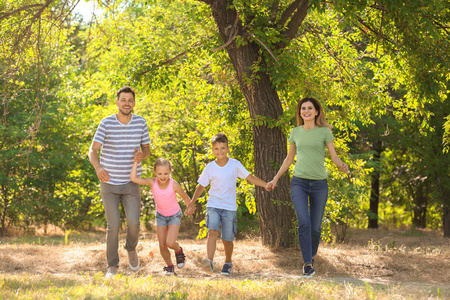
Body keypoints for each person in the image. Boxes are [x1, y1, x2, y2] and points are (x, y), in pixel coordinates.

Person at [266, 97, 348, 277]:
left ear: (316, 112)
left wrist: (341, 165)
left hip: (320, 184)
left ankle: (311, 254)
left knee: (316, 227)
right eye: (303, 108)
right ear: (300, 112)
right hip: (299, 183)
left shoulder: (324, 132)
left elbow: (334, 156)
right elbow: (289, 159)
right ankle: (308, 264)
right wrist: (275, 178)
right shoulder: (295, 132)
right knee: (303, 222)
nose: (306, 111)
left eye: (310, 108)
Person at [88, 86, 151, 278]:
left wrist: (143, 155)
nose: (127, 103)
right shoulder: (106, 123)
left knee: (134, 223)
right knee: (113, 225)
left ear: (134, 102)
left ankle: (131, 248)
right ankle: (112, 266)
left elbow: (146, 150)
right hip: (109, 183)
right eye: (123, 99)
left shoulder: (140, 122)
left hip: (132, 182)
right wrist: (98, 168)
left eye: (130, 100)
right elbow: (92, 150)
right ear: (117, 102)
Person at [186, 132, 268, 276]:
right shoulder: (210, 167)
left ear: (228, 148)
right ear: (212, 150)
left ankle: (228, 262)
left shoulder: (235, 165)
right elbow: (201, 186)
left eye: (222, 148)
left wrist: (265, 184)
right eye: (216, 149)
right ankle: (209, 263)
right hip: (213, 205)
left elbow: (250, 178)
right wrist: (191, 203)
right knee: (212, 232)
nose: (220, 151)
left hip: (229, 207)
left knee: (227, 238)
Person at [130, 157, 192, 275]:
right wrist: (136, 161)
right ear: (155, 172)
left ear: (170, 172)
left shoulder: (174, 184)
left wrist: (189, 207)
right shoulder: (152, 182)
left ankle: (179, 251)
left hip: (174, 215)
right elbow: (133, 178)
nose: (163, 176)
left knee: (170, 243)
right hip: (161, 216)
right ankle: (169, 266)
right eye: (159, 173)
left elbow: (185, 197)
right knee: (162, 244)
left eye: (166, 173)